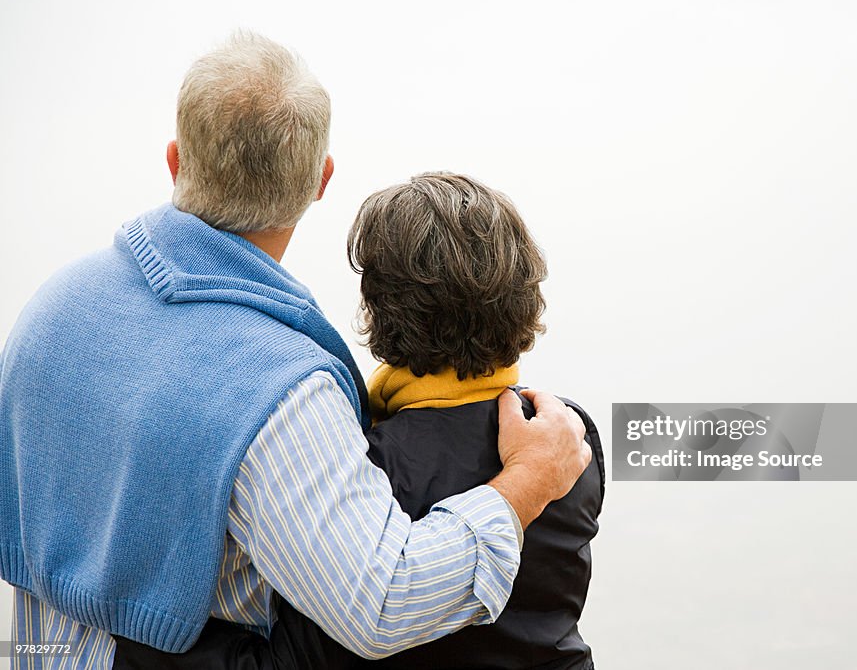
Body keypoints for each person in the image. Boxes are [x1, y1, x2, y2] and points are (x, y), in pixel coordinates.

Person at [0, 33, 591, 670]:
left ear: (175, 160)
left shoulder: (50, 308)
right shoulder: (283, 390)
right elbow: (383, 602)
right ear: (320, 180)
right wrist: (529, 481)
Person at [113, 172, 605, 669]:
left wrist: (118, 636)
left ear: (377, 309)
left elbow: (296, 656)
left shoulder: (354, 467)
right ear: (524, 296)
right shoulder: (570, 436)